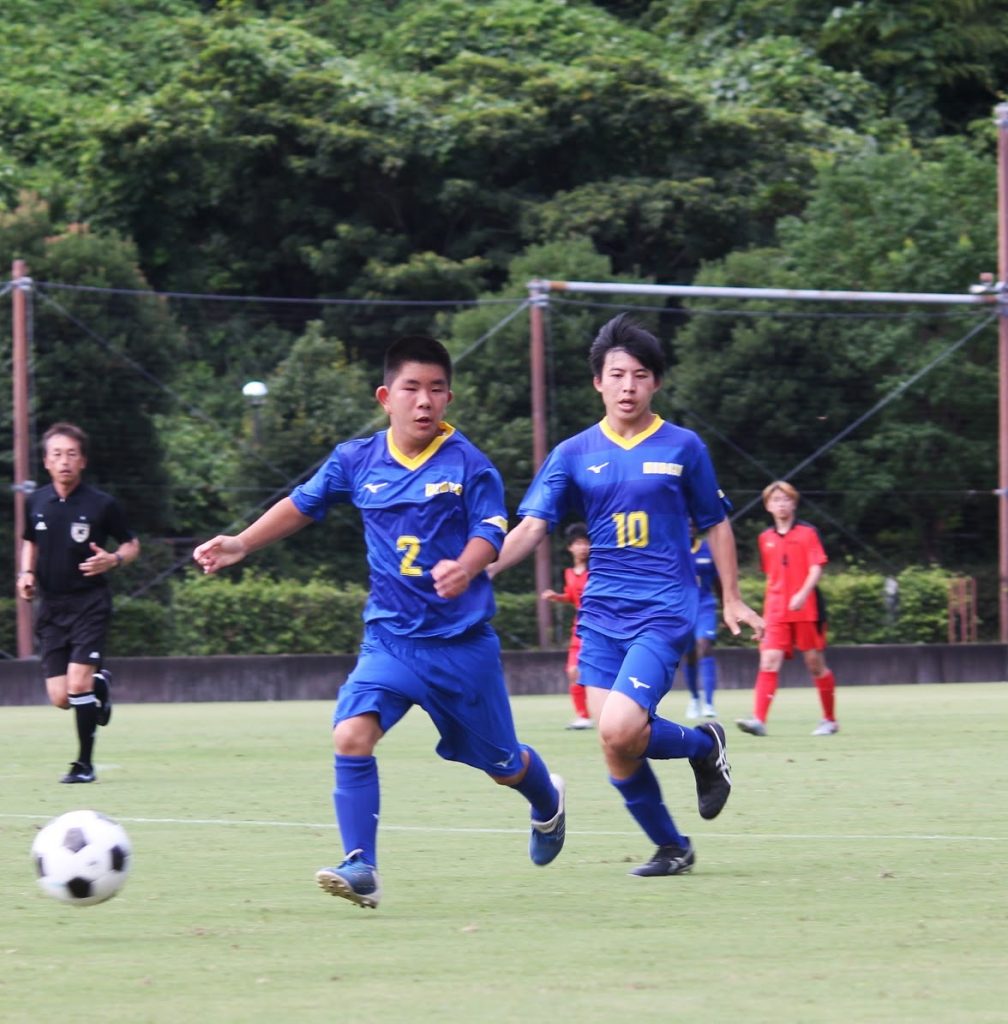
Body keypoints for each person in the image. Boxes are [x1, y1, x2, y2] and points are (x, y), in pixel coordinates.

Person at [193, 335, 567, 910]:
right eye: (412, 389)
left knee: (502, 764)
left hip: (461, 647)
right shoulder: (354, 460)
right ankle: (361, 865)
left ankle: (547, 802)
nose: (424, 401)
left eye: (436, 389)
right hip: (391, 641)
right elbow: (301, 503)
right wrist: (242, 542)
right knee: (351, 734)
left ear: (448, 398)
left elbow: (490, 533)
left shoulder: (471, 464)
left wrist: (466, 568)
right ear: (385, 397)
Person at [490, 314, 762, 878]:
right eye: (617, 374)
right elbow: (534, 527)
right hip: (602, 610)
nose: (628, 386)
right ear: (598, 381)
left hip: (665, 606)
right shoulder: (573, 453)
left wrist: (731, 598)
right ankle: (672, 846)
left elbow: (716, 523)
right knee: (618, 744)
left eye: (641, 375)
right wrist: (482, 568)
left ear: (655, 383)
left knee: (618, 726)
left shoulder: (683, 446)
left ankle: (700, 747)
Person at [18, 422, 139, 784]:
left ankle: (84, 765)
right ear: (46, 461)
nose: (64, 461)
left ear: (83, 460)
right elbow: (29, 542)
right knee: (60, 696)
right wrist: (25, 574)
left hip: (90, 602)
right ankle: (101, 685)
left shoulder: (102, 504)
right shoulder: (36, 501)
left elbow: (132, 545)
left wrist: (113, 560)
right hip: (51, 606)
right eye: (57, 454)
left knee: (77, 684)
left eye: (71, 454)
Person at [736, 480, 839, 738]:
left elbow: (817, 567)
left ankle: (829, 719)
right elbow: (771, 575)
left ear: (794, 503)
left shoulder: (807, 533)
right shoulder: (765, 538)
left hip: (807, 610)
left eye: (786, 500)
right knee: (769, 661)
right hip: (776, 611)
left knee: (815, 664)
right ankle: (759, 720)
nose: (781, 504)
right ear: (768, 506)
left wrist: (803, 594)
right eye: (776, 500)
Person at [541, 522, 594, 730]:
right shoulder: (569, 573)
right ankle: (583, 716)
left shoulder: (598, 569)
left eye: (586, 543)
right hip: (579, 628)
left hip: (599, 627)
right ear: (570, 547)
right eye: (578, 543)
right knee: (572, 671)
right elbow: (574, 598)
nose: (582, 547)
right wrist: (557, 597)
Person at [682, 528, 722, 720]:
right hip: (681, 608)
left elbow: (717, 581)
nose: (689, 527)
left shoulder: (708, 549)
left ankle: (709, 702)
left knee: (704, 645)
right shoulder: (672, 548)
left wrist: (727, 606)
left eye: (692, 523)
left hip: (705, 606)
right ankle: (694, 698)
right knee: (689, 655)